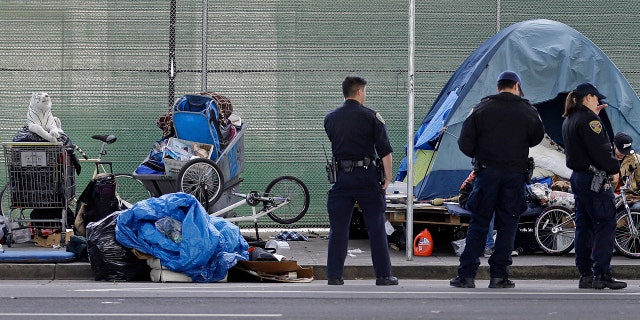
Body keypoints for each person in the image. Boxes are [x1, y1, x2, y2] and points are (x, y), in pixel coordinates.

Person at [451, 70, 544, 289]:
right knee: (508, 225)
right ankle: (499, 276)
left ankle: (466, 276)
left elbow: (465, 144)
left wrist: (483, 155)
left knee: (479, 222)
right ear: (517, 86)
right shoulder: (528, 111)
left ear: (498, 86)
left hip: (486, 174)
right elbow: (536, 138)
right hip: (514, 176)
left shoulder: (480, 109)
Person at [323, 76, 398, 286]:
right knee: (375, 227)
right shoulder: (372, 117)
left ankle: (334, 276)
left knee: (338, 229)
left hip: (341, 179)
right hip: (367, 178)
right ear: (359, 92)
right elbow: (385, 152)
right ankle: (383, 276)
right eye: (364, 92)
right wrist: (387, 177)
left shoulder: (330, 118)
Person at [562, 82, 627, 290]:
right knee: (605, 224)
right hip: (595, 181)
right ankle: (602, 273)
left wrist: (595, 116)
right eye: (596, 98)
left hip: (579, 178)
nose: (598, 101)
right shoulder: (590, 121)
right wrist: (614, 168)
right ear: (589, 97)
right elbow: (600, 150)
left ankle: (586, 274)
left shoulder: (570, 119)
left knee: (584, 226)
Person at [614, 132, 640, 209]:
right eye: (621, 150)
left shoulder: (636, 159)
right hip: (612, 197)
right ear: (614, 145)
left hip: (631, 198)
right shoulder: (605, 159)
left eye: (626, 151)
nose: (623, 153)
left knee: (637, 207)